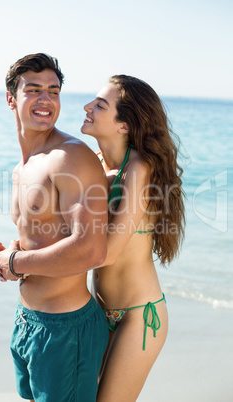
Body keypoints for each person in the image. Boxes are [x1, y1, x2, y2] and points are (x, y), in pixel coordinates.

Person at [0, 53, 110, 402]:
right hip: (27, 321)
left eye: (54, 91)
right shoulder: (21, 168)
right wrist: (10, 261)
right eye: (34, 90)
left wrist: (15, 263)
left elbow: (91, 249)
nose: (46, 100)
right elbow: (43, 236)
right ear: (11, 98)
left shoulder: (70, 156)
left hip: (66, 330)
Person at [80, 75, 186, 401]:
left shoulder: (138, 168)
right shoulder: (94, 164)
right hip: (98, 312)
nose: (87, 107)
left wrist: (26, 262)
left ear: (124, 125)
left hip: (140, 316)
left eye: (100, 105)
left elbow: (107, 254)